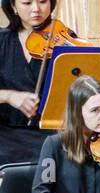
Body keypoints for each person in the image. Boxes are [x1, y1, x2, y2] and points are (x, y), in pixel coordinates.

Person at [0, 0, 57, 165]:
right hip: (5, 133)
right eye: (27, 3)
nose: (36, 9)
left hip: (50, 134)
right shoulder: (2, 41)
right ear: (13, 6)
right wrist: (9, 96)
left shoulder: (64, 42)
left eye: (43, 2)